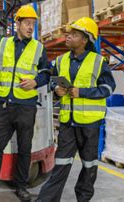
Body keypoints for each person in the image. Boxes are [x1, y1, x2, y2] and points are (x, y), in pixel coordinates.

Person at [0, 5, 51, 201]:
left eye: (33, 24)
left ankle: (21, 187)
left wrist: (36, 82)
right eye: (27, 23)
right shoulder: (3, 44)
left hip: (26, 107)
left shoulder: (38, 48)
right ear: (18, 24)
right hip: (5, 105)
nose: (31, 27)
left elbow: (47, 72)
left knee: (24, 148)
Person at [36, 17, 116, 202]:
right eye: (68, 34)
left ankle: (84, 198)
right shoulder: (60, 61)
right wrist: (56, 89)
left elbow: (108, 88)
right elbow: (50, 82)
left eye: (74, 34)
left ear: (85, 39)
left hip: (90, 124)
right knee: (61, 164)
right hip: (67, 123)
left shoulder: (98, 61)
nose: (68, 37)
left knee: (89, 166)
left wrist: (83, 92)